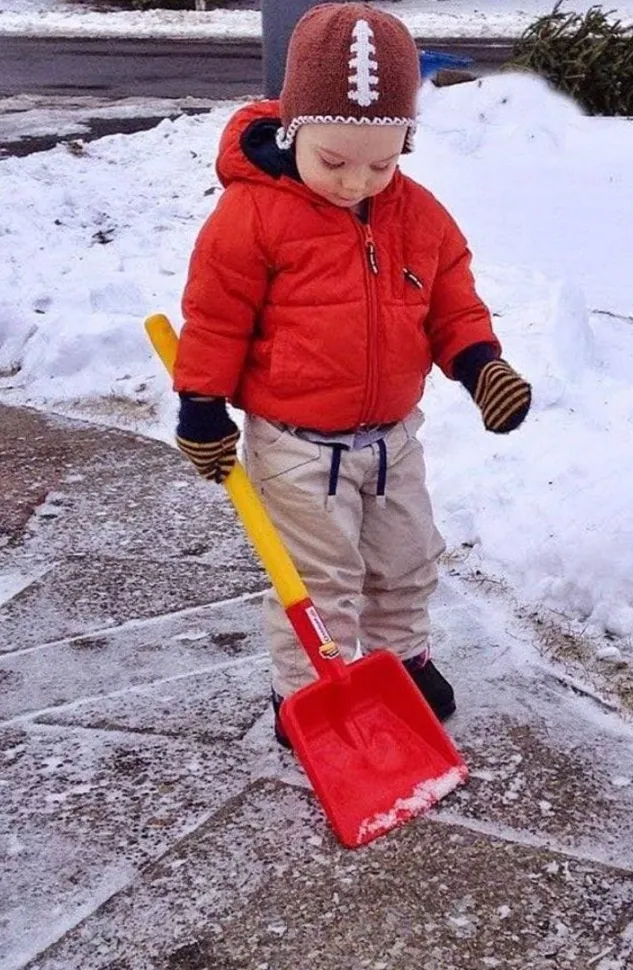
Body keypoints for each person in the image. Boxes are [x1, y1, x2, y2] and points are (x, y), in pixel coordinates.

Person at [170, 2, 531, 748]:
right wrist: (202, 406)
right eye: (333, 162)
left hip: (393, 438)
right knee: (319, 582)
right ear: (293, 129)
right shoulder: (252, 216)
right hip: (296, 447)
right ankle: (308, 693)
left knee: (405, 561)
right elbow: (215, 317)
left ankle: (403, 661)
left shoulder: (418, 213)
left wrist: (479, 364)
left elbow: (451, 300)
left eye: (382, 162)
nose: (355, 182)